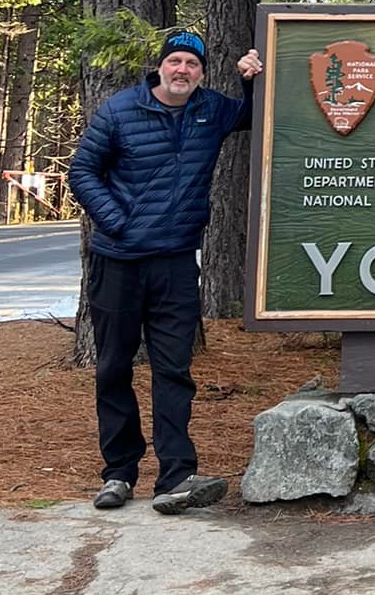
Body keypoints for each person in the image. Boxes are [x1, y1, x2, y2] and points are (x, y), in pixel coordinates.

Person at [68, 29, 263, 514]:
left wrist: (250, 81)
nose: (182, 71)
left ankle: (175, 476)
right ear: (160, 67)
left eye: (192, 65)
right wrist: (118, 222)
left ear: (201, 72)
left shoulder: (210, 110)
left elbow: (257, 115)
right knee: (114, 367)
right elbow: (82, 172)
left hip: (175, 263)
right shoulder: (120, 110)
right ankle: (118, 473)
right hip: (118, 263)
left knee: (173, 370)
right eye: (175, 62)